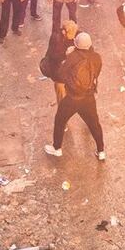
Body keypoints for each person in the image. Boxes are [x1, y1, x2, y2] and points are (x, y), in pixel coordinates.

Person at [44, 32, 105, 161]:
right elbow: (96, 73)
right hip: (89, 98)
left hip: (72, 98)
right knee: (94, 124)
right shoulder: (96, 57)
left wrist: (68, 56)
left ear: (76, 44)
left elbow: (60, 74)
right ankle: (101, 151)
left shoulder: (73, 57)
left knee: (60, 120)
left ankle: (57, 148)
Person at [41, 19, 77, 104]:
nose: (73, 35)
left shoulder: (71, 33)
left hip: (66, 71)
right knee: (61, 92)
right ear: (64, 32)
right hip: (58, 73)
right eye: (71, 34)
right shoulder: (56, 39)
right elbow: (54, 57)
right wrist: (67, 54)